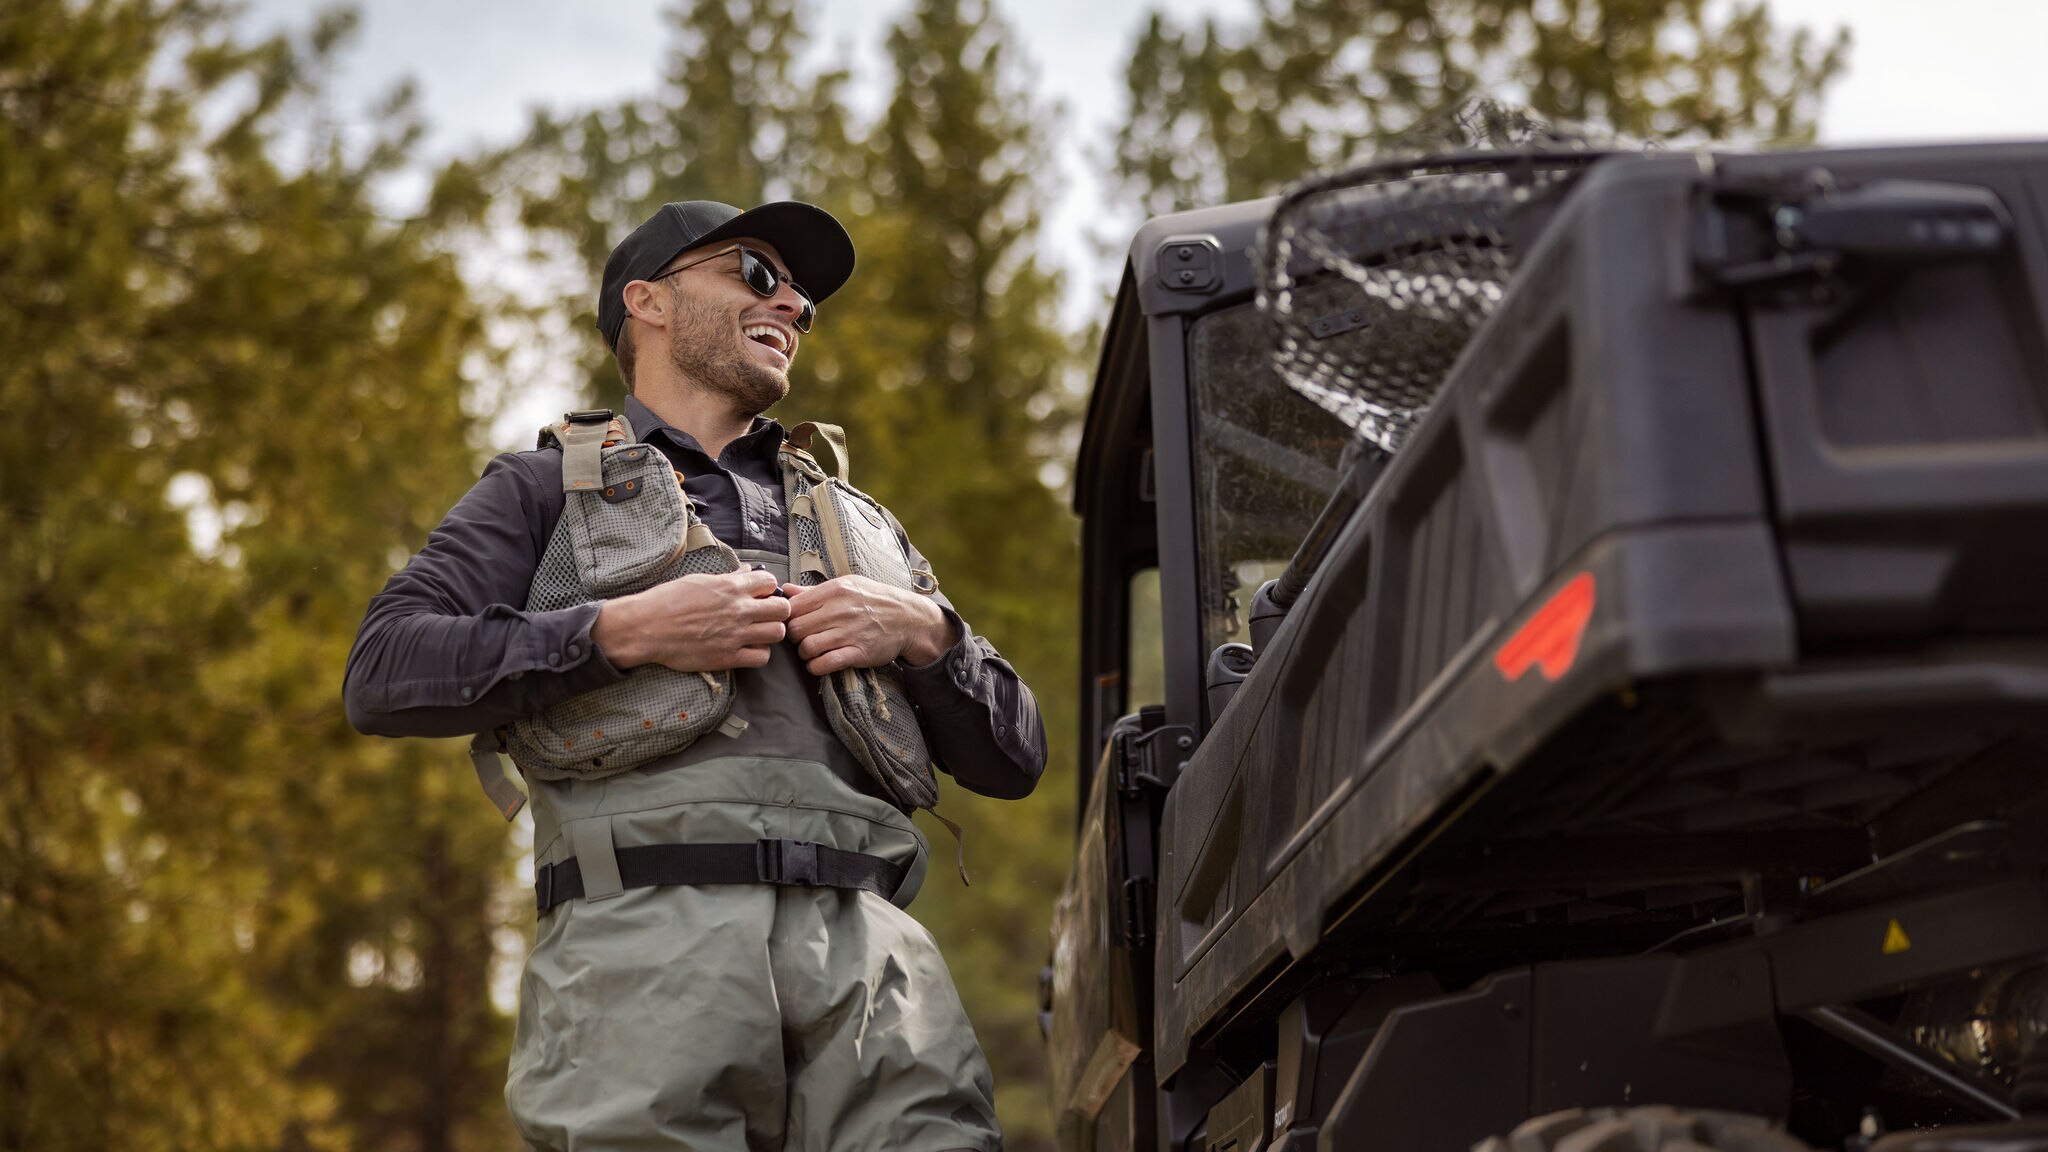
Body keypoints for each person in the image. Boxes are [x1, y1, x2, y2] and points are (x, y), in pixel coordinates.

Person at [344, 199, 1046, 1152]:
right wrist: (620, 631)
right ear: (650, 303)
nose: (792, 304)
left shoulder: (860, 526)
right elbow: (383, 671)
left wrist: (925, 631)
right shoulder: (541, 489)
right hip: (638, 966)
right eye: (756, 273)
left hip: (878, 972)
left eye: (801, 296)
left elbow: (1017, 756)